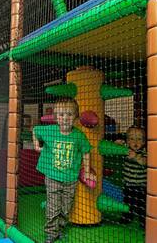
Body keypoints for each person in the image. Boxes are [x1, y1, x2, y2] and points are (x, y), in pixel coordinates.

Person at [32, 98, 96, 243]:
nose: (65, 118)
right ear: (55, 117)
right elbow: (35, 130)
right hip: (53, 177)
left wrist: (86, 171)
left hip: (70, 178)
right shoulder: (50, 131)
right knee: (53, 207)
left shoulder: (79, 136)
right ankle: (50, 233)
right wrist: (37, 145)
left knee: (65, 208)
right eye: (61, 115)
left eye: (69, 114)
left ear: (76, 117)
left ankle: (60, 230)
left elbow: (86, 151)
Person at [119, 126, 147, 227]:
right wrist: (117, 144)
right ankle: (127, 217)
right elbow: (116, 149)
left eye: (139, 139)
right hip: (128, 184)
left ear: (144, 142)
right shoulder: (125, 150)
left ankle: (143, 221)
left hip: (141, 185)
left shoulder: (144, 152)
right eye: (131, 139)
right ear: (127, 141)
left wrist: (135, 156)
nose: (135, 142)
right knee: (127, 203)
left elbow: (145, 162)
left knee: (141, 205)